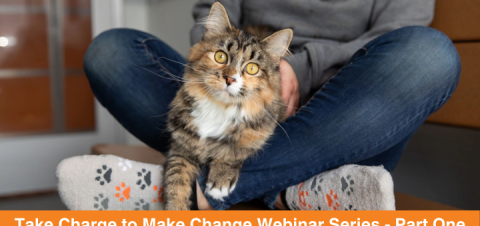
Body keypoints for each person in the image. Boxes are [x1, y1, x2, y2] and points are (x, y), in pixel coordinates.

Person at [83, 0, 460, 210]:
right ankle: (291, 192)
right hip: (235, 91)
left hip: (342, 116)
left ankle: (192, 191)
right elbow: (211, 18)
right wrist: (226, 75)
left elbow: (394, 37)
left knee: (429, 56)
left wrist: (298, 69)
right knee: (110, 52)